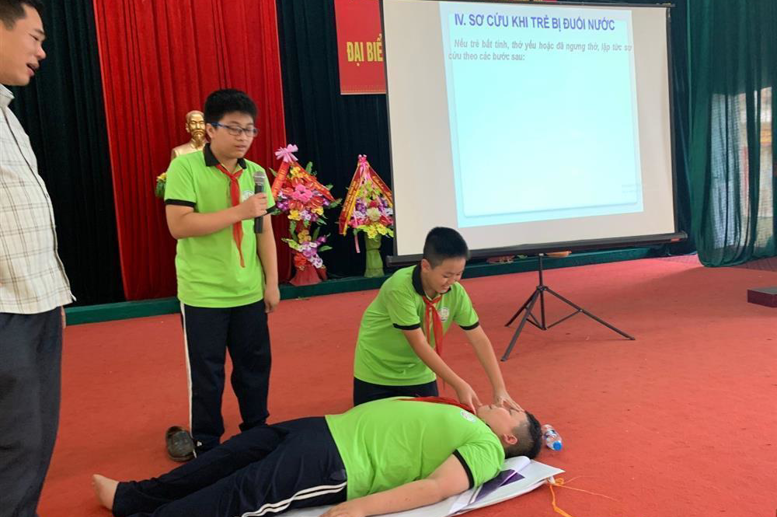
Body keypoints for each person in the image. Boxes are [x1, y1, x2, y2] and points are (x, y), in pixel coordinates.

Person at [92, 396, 542, 517]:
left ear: (508, 438)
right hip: (325, 428)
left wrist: (359, 508)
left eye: (512, 411)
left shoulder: (486, 449)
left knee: (243, 491)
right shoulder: (466, 415)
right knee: (229, 456)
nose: (504, 404)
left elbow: (437, 488)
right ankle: (136, 496)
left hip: (340, 462)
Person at [164, 88, 280, 457]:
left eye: (249, 129)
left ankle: (256, 433)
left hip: (248, 290)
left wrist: (272, 282)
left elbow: (264, 232)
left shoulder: (256, 173)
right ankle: (207, 443)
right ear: (211, 129)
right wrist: (238, 213)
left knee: (254, 367)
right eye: (234, 128)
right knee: (207, 375)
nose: (243, 137)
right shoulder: (185, 168)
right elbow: (179, 225)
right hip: (203, 293)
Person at [0, 0, 74, 514]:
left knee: (33, 440)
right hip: (6, 308)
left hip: (34, 301)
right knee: (16, 443)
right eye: (35, 38)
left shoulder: (8, 115)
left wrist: (51, 294)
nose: (42, 52)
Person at [353, 227, 519, 410]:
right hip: (376, 370)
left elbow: (479, 339)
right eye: (446, 275)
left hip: (419, 372)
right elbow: (418, 343)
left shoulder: (456, 293)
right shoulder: (400, 287)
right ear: (425, 266)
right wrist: (459, 384)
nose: (453, 281)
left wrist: (499, 388)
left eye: (459, 274)